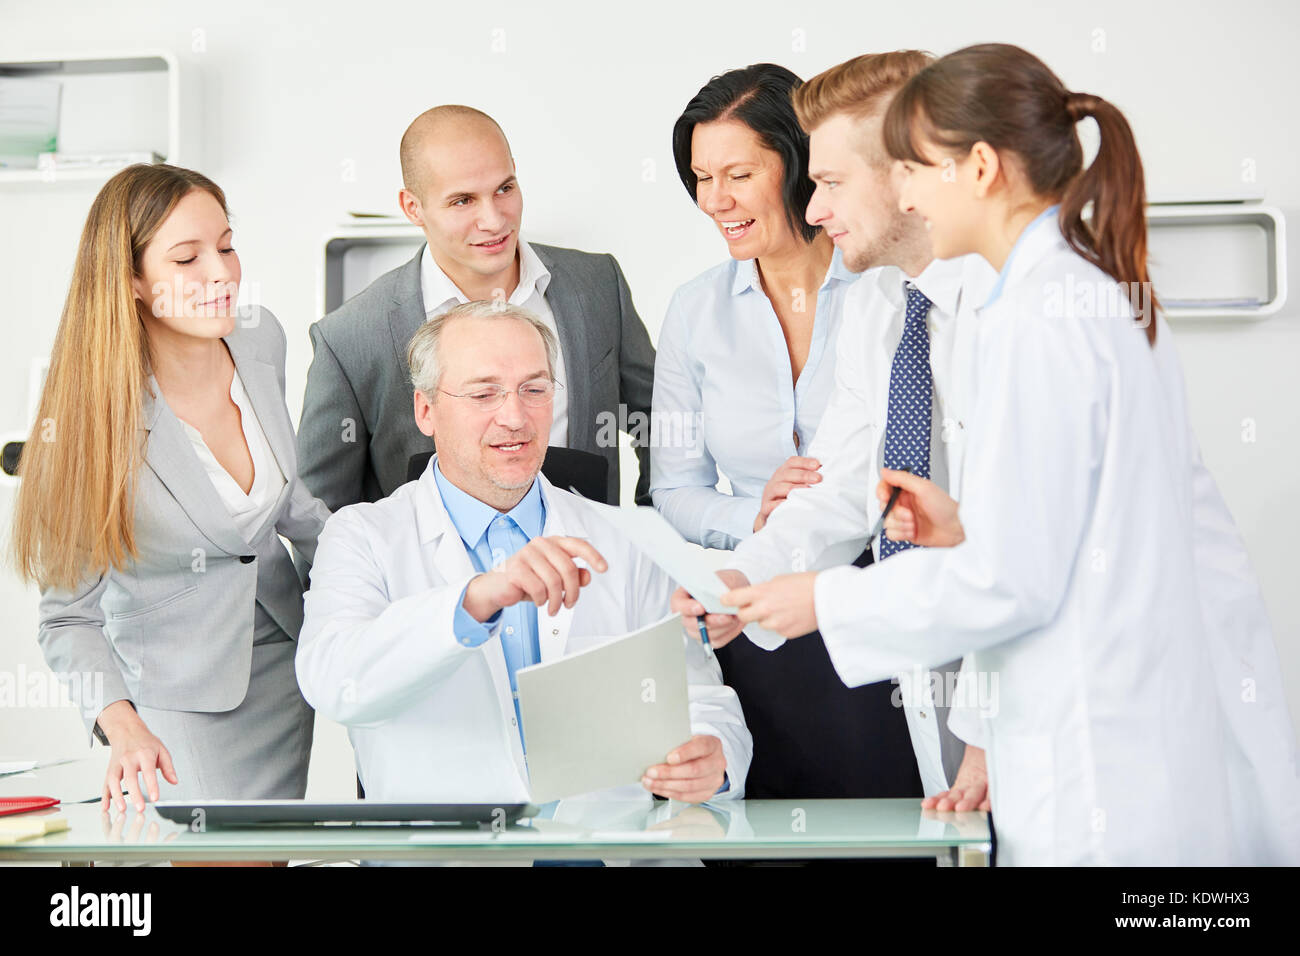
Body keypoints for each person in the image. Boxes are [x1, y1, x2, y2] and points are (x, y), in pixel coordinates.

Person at [707, 43, 1262, 865]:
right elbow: (1028, 526)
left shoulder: (1041, 315)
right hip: (1047, 717)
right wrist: (750, 577)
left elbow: (1019, 575)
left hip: (1104, 738)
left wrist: (826, 603)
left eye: (905, 169)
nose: (898, 191)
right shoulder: (1006, 301)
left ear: (975, 168)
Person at [295, 301, 750, 863]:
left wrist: (715, 755)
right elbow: (334, 680)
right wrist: (475, 601)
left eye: (534, 389)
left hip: (610, 856)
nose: (515, 417)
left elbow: (700, 694)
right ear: (426, 409)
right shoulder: (363, 536)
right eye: (484, 394)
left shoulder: (626, 536)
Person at [652, 63, 943, 804]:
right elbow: (844, 482)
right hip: (777, 608)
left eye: (740, 173)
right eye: (701, 176)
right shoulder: (885, 305)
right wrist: (741, 570)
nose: (817, 209)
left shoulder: (893, 288)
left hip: (900, 616)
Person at [13, 165, 329, 830]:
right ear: (130, 280)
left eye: (227, 245)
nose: (222, 273)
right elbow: (68, 617)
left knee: (268, 856)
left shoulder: (260, 339)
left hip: (282, 666)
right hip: (175, 699)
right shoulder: (92, 419)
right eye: (187, 257)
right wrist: (122, 726)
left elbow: (293, 506)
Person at [297, 105, 656, 511]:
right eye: (463, 201)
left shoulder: (596, 284)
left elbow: (659, 423)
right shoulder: (350, 338)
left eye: (504, 188)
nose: (493, 220)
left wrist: (649, 534)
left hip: (587, 566)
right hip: (433, 572)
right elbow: (321, 513)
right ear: (412, 207)